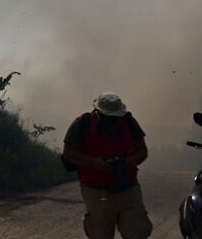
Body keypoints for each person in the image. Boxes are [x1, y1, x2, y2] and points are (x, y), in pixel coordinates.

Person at [62, 92, 152, 239]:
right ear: (98, 112)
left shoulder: (128, 122)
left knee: (137, 231)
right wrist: (93, 162)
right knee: (100, 234)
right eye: (108, 117)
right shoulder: (82, 123)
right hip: (96, 189)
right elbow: (68, 153)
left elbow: (143, 151)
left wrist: (130, 161)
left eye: (115, 117)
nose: (112, 120)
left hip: (127, 187)